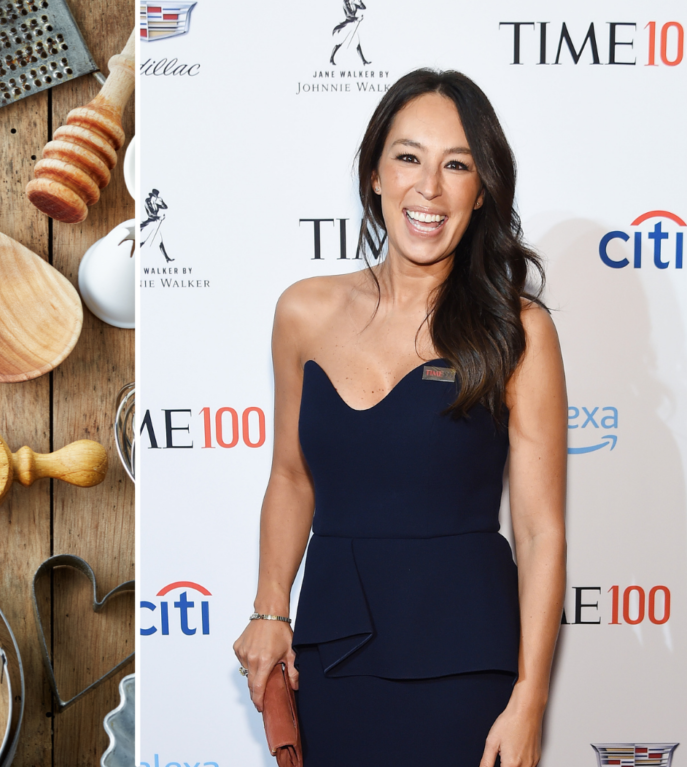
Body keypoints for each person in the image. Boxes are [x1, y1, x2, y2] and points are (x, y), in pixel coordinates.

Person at [232, 69, 567, 767]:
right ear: (375, 173)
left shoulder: (518, 329)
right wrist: (270, 609)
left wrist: (530, 697)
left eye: (457, 165)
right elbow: (292, 476)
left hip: (466, 670)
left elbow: (539, 530)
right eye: (409, 158)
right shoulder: (303, 311)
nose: (430, 188)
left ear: (481, 192)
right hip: (332, 656)